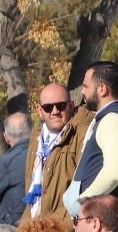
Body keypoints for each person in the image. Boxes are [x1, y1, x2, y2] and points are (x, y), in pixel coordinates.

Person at [65, 60, 118, 216]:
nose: (82, 92)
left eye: (86, 86)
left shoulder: (113, 120)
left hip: (102, 216)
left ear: (102, 89)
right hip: (96, 215)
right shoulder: (107, 118)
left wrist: (82, 202)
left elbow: (113, 173)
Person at [23, 82, 91, 221]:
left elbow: (85, 189)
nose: (55, 112)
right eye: (48, 107)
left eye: (60, 106)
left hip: (63, 230)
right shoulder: (37, 136)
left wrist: (61, 228)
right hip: (35, 227)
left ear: (71, 105)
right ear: (39, 110)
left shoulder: (82, 132)